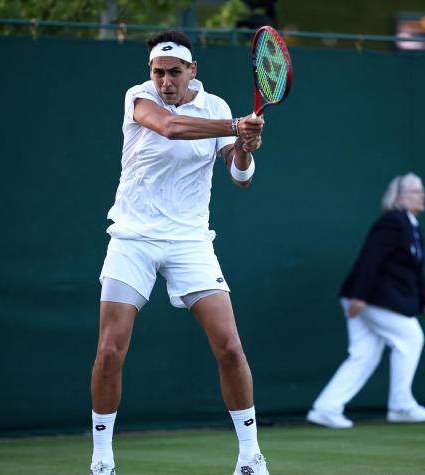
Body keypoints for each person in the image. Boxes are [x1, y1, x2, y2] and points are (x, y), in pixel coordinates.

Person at [89, 31, 269, 475]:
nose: (165, 81)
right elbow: (170, 128)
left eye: (174, 72)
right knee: (110, 349)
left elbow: (240, 176)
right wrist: (234, 128)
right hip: (133, 237)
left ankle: (250, 457)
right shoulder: (139, 97)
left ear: (193, 71)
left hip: (191, 242)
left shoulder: (217, 107)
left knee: (229, 348)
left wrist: (245, 147)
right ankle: (102, 460)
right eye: (158, 72)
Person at [307, 173, 425, 429]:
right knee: (411, 337)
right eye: (415, 191)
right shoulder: (392, 222)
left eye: (422, 190)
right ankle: (400, 405)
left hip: (367, 298)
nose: (422, 195)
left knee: (364, 355)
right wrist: (360, 295)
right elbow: (371, 258)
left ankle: (326, 408)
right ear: (399, 197)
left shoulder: (411, 225)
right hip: (368, 297)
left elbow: (416, 271)